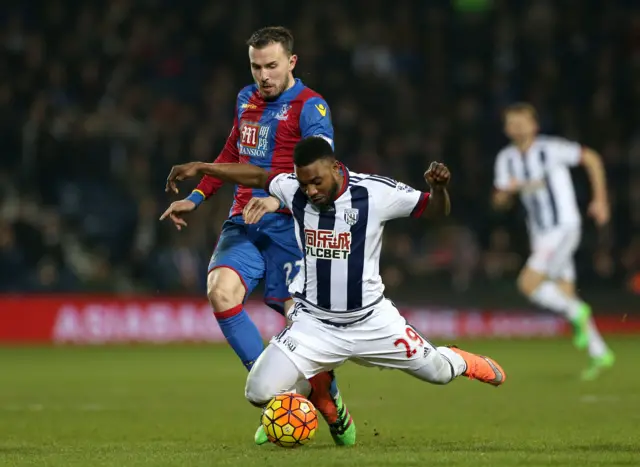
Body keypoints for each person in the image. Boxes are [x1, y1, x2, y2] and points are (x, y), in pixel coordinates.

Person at [163, 136, 507, 436]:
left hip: (373, 321)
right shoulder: (293, 188)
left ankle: (461, 360)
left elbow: (433, 211)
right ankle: (325, 402)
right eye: (304, 183)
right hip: (314, 324)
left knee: (439, 373)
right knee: (258, 391)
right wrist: (201, 167)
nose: (310, 191)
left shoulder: (375, 192)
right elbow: (255, 174)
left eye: (316, 182)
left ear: (335, 168)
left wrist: (439, 189)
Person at [160, 26, 354, 445]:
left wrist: (278, 199)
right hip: (245, 220)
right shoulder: (245, 99)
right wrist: (196, 197)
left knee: (300, 327)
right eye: (255, 66)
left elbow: (322, 174)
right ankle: (280, 401)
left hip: (293, 227)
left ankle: (328, 398)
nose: (263, 75)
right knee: (220, 290)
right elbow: (231, 155)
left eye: (271, 66)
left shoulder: (311, 107)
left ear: (291, 62)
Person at [492, 102, 615, 380]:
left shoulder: (552, 149)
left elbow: (592, 159)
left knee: (528, 284)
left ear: (534, 125)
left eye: (522, 120)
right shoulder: (506, 159)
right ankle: (600, 353)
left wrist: (601, 200)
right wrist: (506, 193)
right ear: (506, 129)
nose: (517, 126)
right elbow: (498, 200)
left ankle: (577, 312)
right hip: (540, 234)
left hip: (564, 227)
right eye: (511, 122)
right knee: (565, 292)